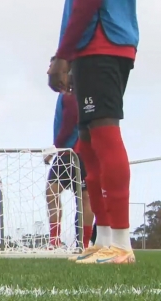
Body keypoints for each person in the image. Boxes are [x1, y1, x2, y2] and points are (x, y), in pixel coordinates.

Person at [47, 0, 138, 264]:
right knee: (87, 144)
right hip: (91, 48)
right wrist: (67, 56)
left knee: (104, 136)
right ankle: (105, 240)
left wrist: (63, 55)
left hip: (102, 43)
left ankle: (121, 243)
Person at [45, 83, 94, 252]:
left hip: (73, 152)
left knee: (83, 198)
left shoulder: (72, 93)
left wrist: (55, 147)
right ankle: (56, 241)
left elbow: (70, 120)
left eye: (52, 66)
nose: (49, 70)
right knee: (53, 193)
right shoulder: (66, 94)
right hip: (69, 152)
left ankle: (83, 243)